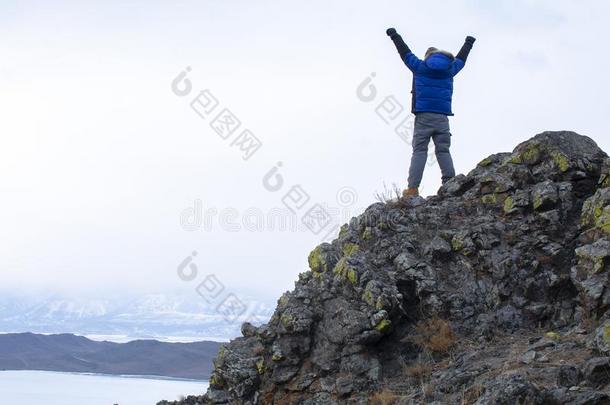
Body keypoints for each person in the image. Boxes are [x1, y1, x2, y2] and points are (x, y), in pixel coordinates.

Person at [386, 28, 476, 198]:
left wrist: (394, 35)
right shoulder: (450, 69)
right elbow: (462, 59)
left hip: (423, 116)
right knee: (443, 151)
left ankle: (412, 189)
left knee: (419, 151)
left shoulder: (420, 67)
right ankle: (450, 183)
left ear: (427, 57)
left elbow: (404, 52)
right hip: (442, 117)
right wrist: (469, 43)